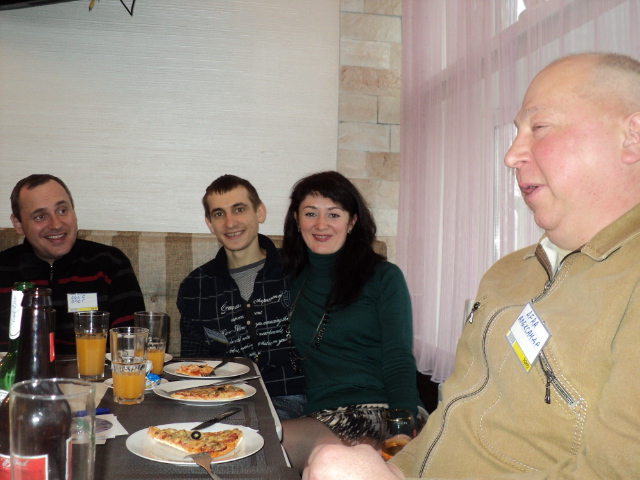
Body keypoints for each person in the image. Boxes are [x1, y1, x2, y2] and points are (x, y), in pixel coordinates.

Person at [303, 52, 640, 479]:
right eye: (516, 132)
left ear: (632, 137)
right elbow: (450, 423)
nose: (511, 155)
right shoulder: (509, 272)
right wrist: (394, 470)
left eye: (539, 127)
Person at [280, 171, 424, 472]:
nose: (321, 224)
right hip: (320, 415)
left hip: (382, 411)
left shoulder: (384, 277)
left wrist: (402, 428)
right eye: (310, 213)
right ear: (296, 219)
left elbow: (398, 356)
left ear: (352, 221)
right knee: (255, 446)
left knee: (277, 449)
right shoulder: (288, 278)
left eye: (333, 214)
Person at [177, 174, 306, 420]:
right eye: (219, 214)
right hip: (224, 398)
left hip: (290, 396)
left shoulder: (297, 269)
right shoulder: (195, 287)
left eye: (239, 209)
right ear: (209, 223)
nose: (230, 222)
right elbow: (194, 364)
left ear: (259, 212)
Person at [0, 174, 145, 354]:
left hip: (94, 372)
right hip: (16, 372)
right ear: (18, 224)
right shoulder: (3, 268)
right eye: (40, 216)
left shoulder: (110, 264)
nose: (56, 224)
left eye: (62, 211)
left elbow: (133, 346)